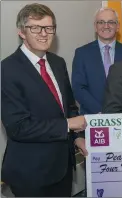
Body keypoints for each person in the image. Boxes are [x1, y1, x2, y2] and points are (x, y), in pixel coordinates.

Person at [1, 3, 88, 197]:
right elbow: (18, 127)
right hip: (30, 174)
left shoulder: (58, 63)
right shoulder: (7, 69)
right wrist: (67, 124)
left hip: (62, 170)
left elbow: (70, 108)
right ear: (22, 32)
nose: (44, 33)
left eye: (49, 28)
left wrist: (78, 138)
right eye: (35, 28)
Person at [72, 7, 122, 114]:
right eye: (101, 22)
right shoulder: (82, 53)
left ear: (118, 26)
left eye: (111, 22)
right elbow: (78, 88)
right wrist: (101, 112)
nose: (106, 26)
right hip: (92, 118)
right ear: (95, 27)